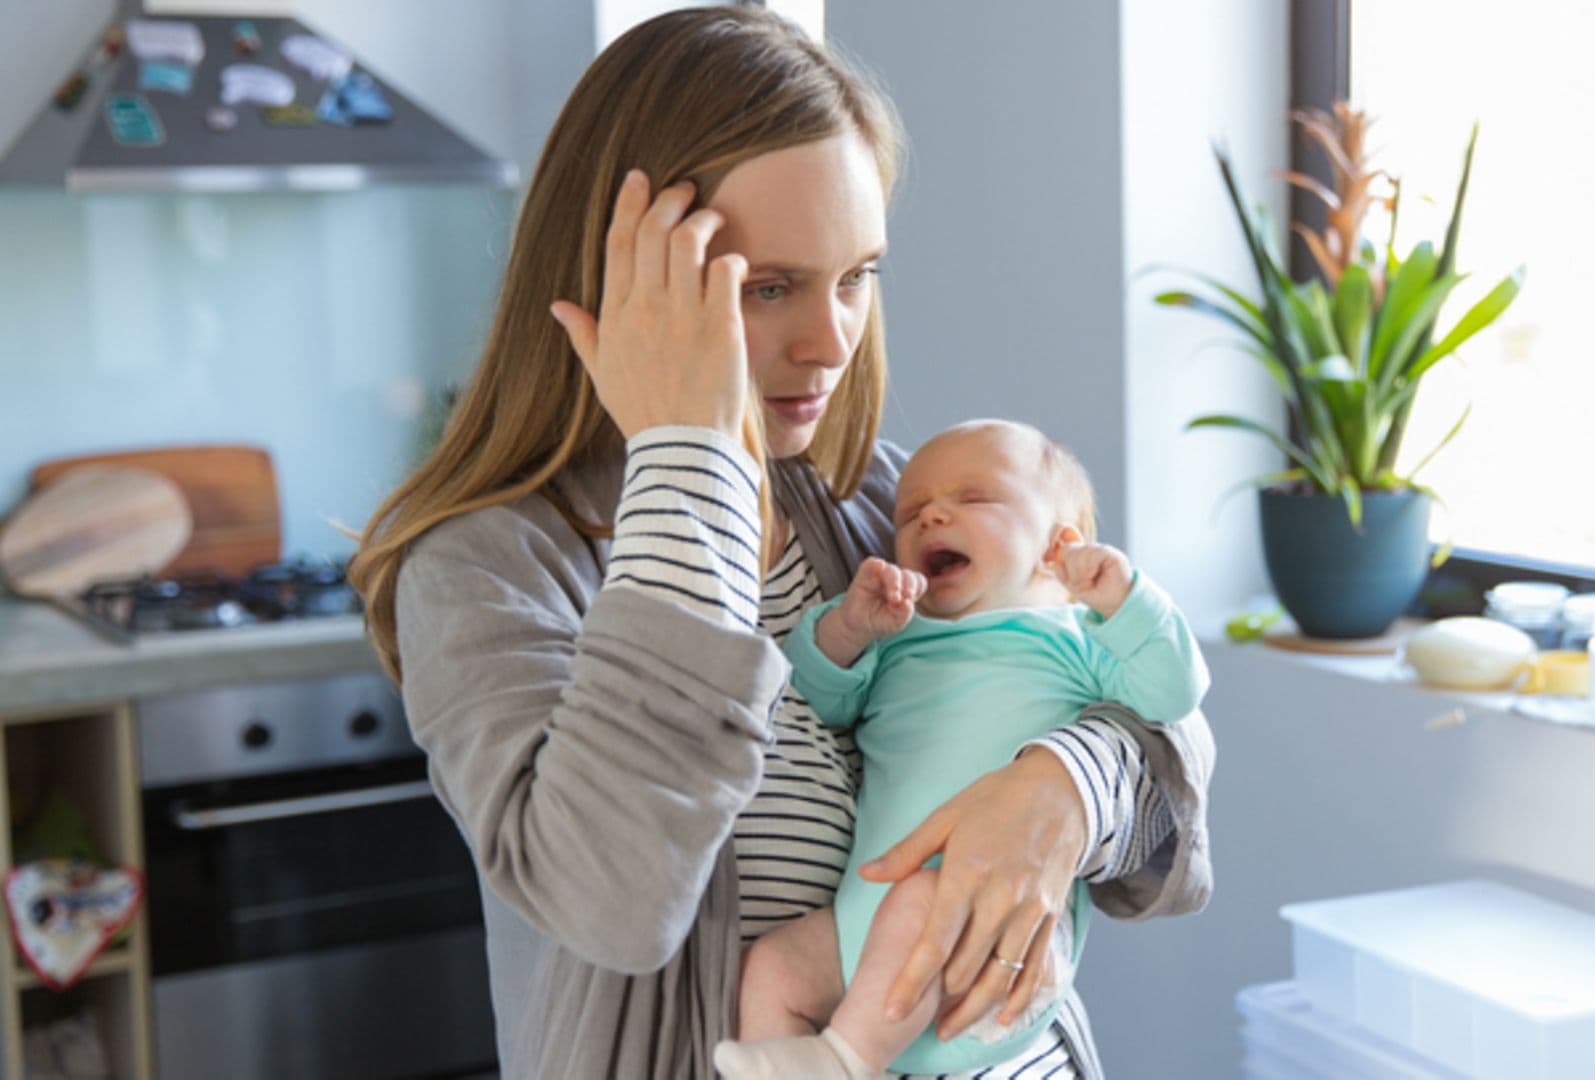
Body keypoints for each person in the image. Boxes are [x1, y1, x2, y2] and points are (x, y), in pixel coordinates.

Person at [345, 8, 1215, 1078]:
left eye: (858, 275)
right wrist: (686, 460)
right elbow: (615, 902)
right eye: (768, 287)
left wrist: (1063, 791)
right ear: (623, 290)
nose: (832, 339)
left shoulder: (888, 508)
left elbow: (1173, 789)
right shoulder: (488, 572)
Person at [713, 420, 1209, 1079]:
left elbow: (1173, 697)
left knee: (926, 897)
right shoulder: (900, 637)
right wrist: (848, 629)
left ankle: (842, 1059)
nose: (931, 515)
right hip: (857, 935)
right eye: (910, 513)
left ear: (1059, 545)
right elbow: (818, 699)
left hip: (979, 937)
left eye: (974, 500)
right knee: (773, 970)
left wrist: (1126, 600)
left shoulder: (1077, 638)